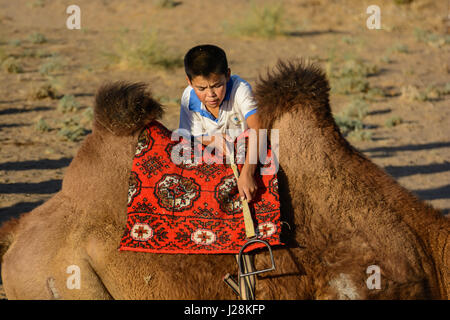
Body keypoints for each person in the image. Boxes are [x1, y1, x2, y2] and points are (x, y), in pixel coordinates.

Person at [178, 44, 261, 202]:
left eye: (217, 85)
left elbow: (258, 128)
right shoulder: (188, 98)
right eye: (201, 88)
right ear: (189, 81)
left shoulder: (240, 89)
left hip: (246, 158)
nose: (210, 95)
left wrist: (248, 173)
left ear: (228, 75)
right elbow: (187, 138)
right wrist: (210, 140)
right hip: (212, 160)